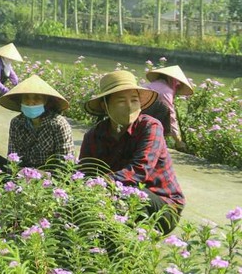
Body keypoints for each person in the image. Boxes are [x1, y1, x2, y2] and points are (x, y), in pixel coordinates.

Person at [78, 70, 185, 235]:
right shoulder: (94, 135)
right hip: (112, 195)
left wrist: (101, 184)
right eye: (121, 101)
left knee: (132, 193)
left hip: (162, 206)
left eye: (134, 100)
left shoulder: (150, 127)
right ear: (104, 105)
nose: (129, 106)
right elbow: (85, 172)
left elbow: (140, 169)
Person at [0, 75, 74, 191]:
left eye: (37, 98)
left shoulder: (58, 125)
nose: (31, 102)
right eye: (26, 98)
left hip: (50, 179)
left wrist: (42, 174)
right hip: (21, 175)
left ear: (46, 101)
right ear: (20, 101)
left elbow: (65, 166)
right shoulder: (17, 123)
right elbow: (12, 158)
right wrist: (19, 174)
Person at [142, 65, 193, 152]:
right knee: (165, 110)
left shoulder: (149, 85)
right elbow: (171, 117)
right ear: (172, 80)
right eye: (177, 83)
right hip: (144, 120)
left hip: (139, 116)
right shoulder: (166, 91)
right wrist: (178, 141)